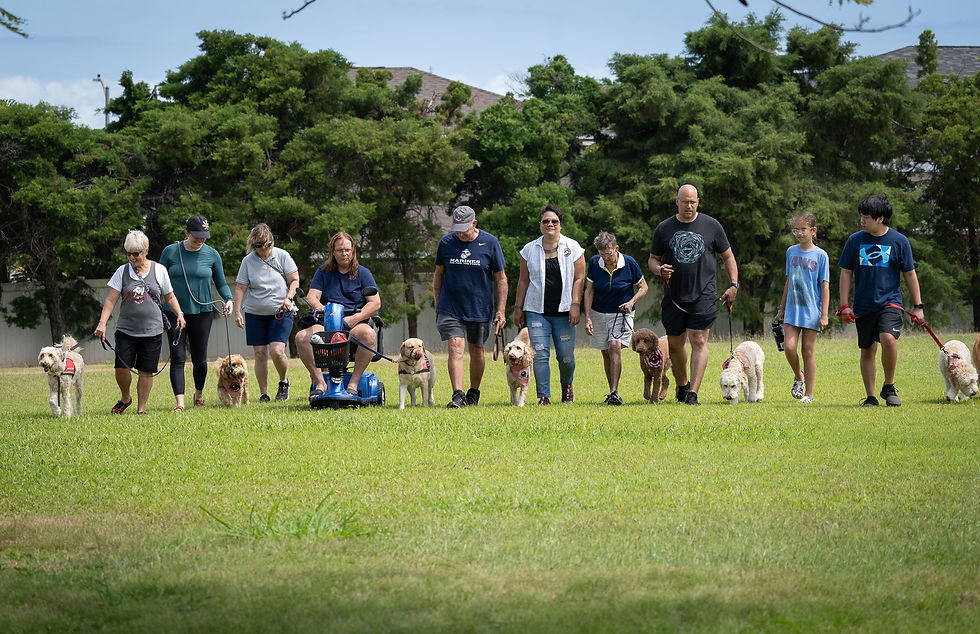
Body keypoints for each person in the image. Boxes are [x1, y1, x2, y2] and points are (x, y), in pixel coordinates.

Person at [648, 184, 739, 406]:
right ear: (677, 202)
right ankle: (682, 385)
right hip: (674, 295)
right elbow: (653, 259)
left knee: (698, 339)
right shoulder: (664, 228)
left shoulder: (712, 225)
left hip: (704, 293)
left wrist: (734, 284)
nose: (689, 206)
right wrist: (659, 270)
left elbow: (728, 257)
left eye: (693, 202)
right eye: (685, 202)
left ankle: (693, 393)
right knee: (675, 343)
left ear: (698, 202)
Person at [838, 194, 924, 407]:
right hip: (863, 305)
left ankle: (889, 386)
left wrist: (918, 306)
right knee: (868, 349)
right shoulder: (855, 240)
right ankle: (871, 396)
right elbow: (846, 272)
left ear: (880, 218)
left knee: (888, 338)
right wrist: (844, 305)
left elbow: (910, 274)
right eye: (861, 216)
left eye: (866, 217)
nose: (862, 221)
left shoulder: (899, 241)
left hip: (890, 302)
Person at [95, 229, 186, 415]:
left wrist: (179, 313)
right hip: (126, 329)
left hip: (152, 330)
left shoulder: (159, 270)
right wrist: (102, 323)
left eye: (135, 254)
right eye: (128, 254)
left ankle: (141, 409)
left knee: (146, 369)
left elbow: (169, 297)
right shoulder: (122, 271)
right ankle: (125, 397)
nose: (131, 258)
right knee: (121, 367)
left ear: (146, 251)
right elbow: (111, 299)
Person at [434, 205, 507, 408]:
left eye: (464, 228)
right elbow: (438, 275)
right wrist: (438, 303)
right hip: (451, 305)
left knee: (477, 350)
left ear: (474, 223)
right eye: (456, 229)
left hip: (479, 307)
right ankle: (458, 394)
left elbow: (501, 278)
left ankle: (473, 392)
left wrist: (501, 310)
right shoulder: (446, 243)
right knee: (455, 346)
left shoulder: (490, 243)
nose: (459, 233)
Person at [159, 215, 234, 412]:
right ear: (186, 232)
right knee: (177, 356)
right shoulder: (170, 251)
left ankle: (199, 393)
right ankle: (180, 403)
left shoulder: (212, 254)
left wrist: (229, 299)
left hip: (202, 312)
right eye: (196, 236)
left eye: (204, 236)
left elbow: (221, 283)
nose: (200, 240)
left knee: (200, 359)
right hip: (174, 312)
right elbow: (159, 281)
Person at [513, 204, 586, 405]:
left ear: (560, 224)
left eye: (554, 221)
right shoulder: (529, 249)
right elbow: (523, 281)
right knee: (540, 354)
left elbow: (579, 278)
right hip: (537, 311)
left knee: (566, 357)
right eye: (546, 221)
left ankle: (567, 386)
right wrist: (518, 308)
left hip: (565, 311)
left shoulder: (573, 247)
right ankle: (543, 396)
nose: (550, 224)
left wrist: (575, 304)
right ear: (540, 224)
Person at [294, 231, 381, 399]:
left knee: (369, 334)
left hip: (353, 323)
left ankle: (353, 384)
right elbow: (312, 297)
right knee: (301, 337)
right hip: (326, 323)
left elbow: (375, 303)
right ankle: (320, 382)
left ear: (353, 250)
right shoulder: (323, 272)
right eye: (340, 250)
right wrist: (323, 310)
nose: (344, 253)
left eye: (347, 250)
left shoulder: (363, 273)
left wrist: (354, 318)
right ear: (333, 252)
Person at [233, 223, 300, 402]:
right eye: (259, 247)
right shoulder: (248, 261)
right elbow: (240, 287)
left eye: (267, 246)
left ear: (272, 241)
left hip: (281, 311)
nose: (264, 250)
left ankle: (283, 382)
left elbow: (294, 280)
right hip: (255, 313)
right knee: (260, 354)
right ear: (253, 245)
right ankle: (264, 393)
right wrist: (237, 312)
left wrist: (289, 298)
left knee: (277, 351)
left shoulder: (282, 255)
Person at [584, 231, 648, 406]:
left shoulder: (629, 263)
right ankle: (612, 391)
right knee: (606, 352)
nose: (606, 258)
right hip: (599, 312)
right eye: (602, 254)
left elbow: (643, 287)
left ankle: (614, 391)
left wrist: (631, 302)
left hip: (622, 313)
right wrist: (588, 317)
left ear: (616, 248)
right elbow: (589, 291)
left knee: (614, 346)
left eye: (609, 254)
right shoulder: (594, 263)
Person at [776, 212, 830, 404]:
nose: (799, 233)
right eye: (796, 230)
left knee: (808, 351)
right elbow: (788, 280)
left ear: (813, 231)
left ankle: (809, 394)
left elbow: (824, 285)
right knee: (789, 347)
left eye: (803, 229)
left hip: (811, 310)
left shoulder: (821, 255)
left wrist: (824, 314)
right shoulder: (791, 251)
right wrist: (781, 308)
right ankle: (799, 375)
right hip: (792, 309)